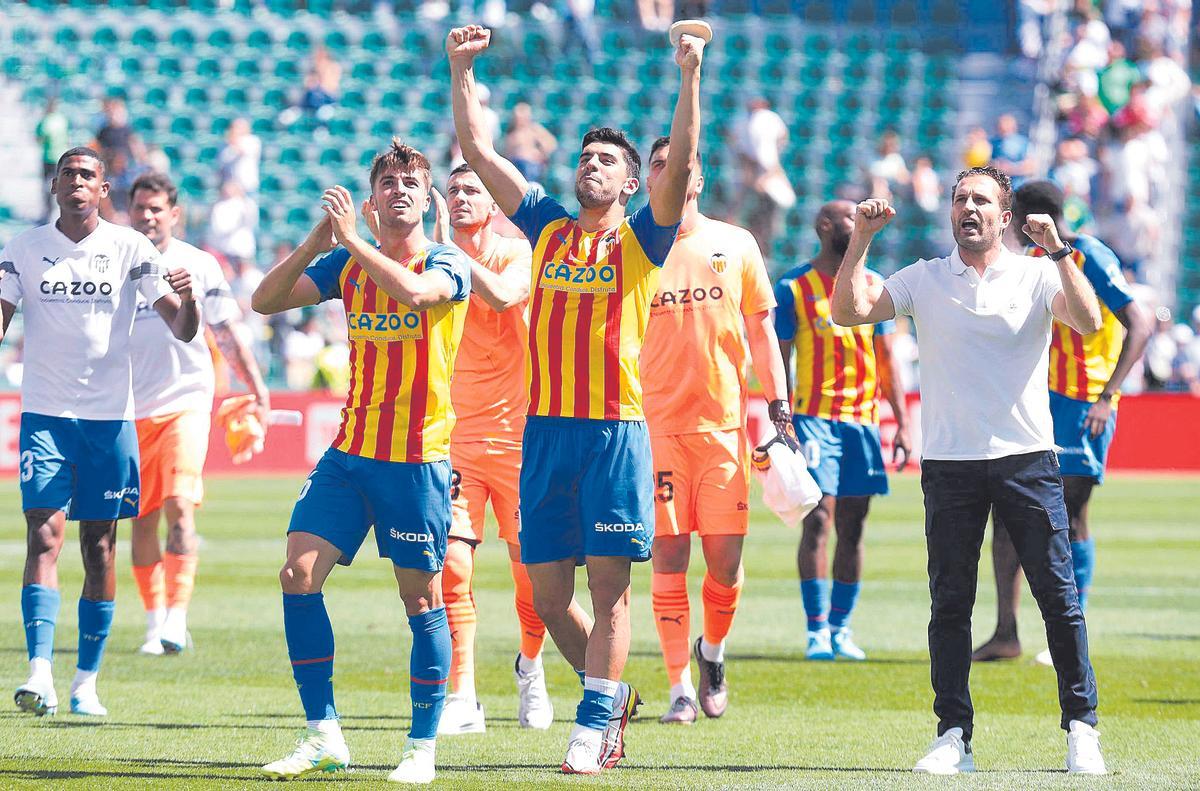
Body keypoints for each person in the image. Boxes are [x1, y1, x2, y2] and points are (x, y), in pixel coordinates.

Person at [447, 23, 702, 774]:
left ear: (632, 183)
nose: (592, 166)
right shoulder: (546, 226)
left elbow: (682, 157)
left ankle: (592, 727)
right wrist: (462, 70)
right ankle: (611, 693)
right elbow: (479, 152)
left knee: (611, 588)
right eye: (586, 157)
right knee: (551, 595)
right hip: (545, 433)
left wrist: (689, 76)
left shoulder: (644, 239)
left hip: (615, 435)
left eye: (607, 162)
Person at [830, 166, 1107, 775]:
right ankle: (953, 734)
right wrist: (862, 240)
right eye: (960, 200)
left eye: (981, 200)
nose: (969, 209)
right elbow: (848, 313)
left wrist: (1059, 248)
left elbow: (1088, 322)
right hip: (950, 464)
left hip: (1028, 459)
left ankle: (1082, 727)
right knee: (950, 605)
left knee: (1058, 599)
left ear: (1005, 216)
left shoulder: (1038, 272)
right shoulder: (927, 278)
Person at [251, 140, 471, 784]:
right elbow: (266, 300)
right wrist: (320, 238)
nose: (399, 189)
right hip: (351, 455)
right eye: (387, 182)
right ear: (371, 197)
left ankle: (421, 745)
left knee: (421, 599)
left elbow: (416, 297)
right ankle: (324, 735)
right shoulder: (345, 265)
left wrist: (353, 241)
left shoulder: (449, 260)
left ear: (426, 197)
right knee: (297, 573)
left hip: (417, 461)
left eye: (411, 180)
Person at [3, 146, 198, 718]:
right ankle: (40, 672)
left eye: (88, 175)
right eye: (69, 174)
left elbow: (181, 329)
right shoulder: (24, 249)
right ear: (55, 185)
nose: (78, 183)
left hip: (111, 420)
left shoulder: (130, 247)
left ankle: (86, 680)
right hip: (45, 415)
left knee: (100, 547)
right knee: (43, 536)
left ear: (104, 188)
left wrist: (187, 299)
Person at [640, 136, 790, 724]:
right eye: (658, 166)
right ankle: (679, 682)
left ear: (697, 179)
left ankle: (713, 652)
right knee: (669, 555)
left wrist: (778, 411)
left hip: (724, 427)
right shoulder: (629, 249)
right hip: (656, 431)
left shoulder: (736, 244)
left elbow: (761, 334)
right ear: (646, 181)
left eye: (680, 165)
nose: (670, 174)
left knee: (724, 561)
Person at [972, 180, 1150, 666]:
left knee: (1069, 515)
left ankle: (1072, 633)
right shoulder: (1030, 264)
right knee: (1005, 515)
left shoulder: (1090, 254)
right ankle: (1006, 632)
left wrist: (1107, 396)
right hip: (1036, 406)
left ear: (1030, 220)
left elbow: (1141, 321)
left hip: (1082, 406)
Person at [125, 172, 271, 656]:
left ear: (174, 214)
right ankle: (152, 621)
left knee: (180, 506)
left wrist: (256, 387)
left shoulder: (199, 265)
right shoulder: (115, 261)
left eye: (156, 208)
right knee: (142, 520)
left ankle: (175, 617)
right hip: (127, 408)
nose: (147, 216)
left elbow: (228, 332)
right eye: (140, 208)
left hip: (186, 401)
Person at [435, 163, 557, 735]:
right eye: (453, 189)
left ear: (495, 205)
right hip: (455, 441)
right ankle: (463, 692)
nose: (460, 197)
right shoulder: (434, 260)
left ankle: (530, 667)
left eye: (471, 190)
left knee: (530, 576)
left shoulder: (515, 252)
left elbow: (508, 299)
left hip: (519, 440)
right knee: (454, 568)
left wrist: (450, 257)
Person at [774, 200, 912, 662]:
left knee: (854, 527)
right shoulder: (794, 286)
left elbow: (889, 360)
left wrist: (902, 421)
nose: (859, 225)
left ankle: (841, 628)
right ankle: (815, 630)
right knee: (817, 520)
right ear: (825, 226)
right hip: (814, 419)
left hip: (863, 423)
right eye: (851, 220)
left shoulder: (874, 286)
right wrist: (783, 419)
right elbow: (780, 357)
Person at [503, 102, 558, 184]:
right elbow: (507, 154)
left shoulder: (534, 130)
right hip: (516, 166)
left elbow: (552, 144)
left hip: (531, 166)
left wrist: (539, 153)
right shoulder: (512, 134)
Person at [35, 97, 69, 223]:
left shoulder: (45, 121)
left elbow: (39, 138)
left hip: (49, 157)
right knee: (59, 184)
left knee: (47, 185)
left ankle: (48, 212)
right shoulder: (62, 120)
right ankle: (59, 211)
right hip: (61, 157)